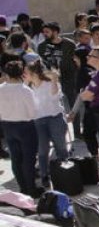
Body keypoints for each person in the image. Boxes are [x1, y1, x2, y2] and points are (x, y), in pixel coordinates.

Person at [26, 60, 70, 189]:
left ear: (34, 73)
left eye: (26, 72)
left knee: (60, 146)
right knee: (42, 150)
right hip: (38, 121)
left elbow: (55, 97)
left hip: (54, 118)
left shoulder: (49, 83)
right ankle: (45, 175)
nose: (24, 75)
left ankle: (66, 171)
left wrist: (54, 80)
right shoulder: (27, 88)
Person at [0, 61, 39, 195]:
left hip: (7, 125)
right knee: (28, 159)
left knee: (16, 159)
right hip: (25, 126)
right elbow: (33, 112)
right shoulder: (25, 90)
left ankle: (23, 187)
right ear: (21, 73)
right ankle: (31, 188)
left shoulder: (1, 88)